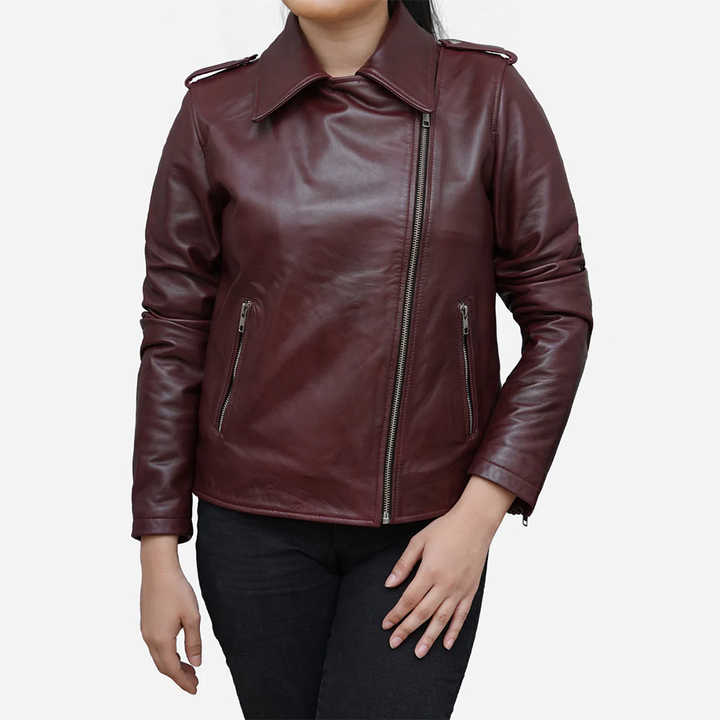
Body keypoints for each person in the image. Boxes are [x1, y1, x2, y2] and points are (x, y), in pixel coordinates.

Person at [131, 1, 593, 717]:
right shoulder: (214, 112)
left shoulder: (488, 98)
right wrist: (158, 548)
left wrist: (479, 514)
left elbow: (559, 318)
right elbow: (173, 332)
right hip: (252, 527)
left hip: (424, 529)